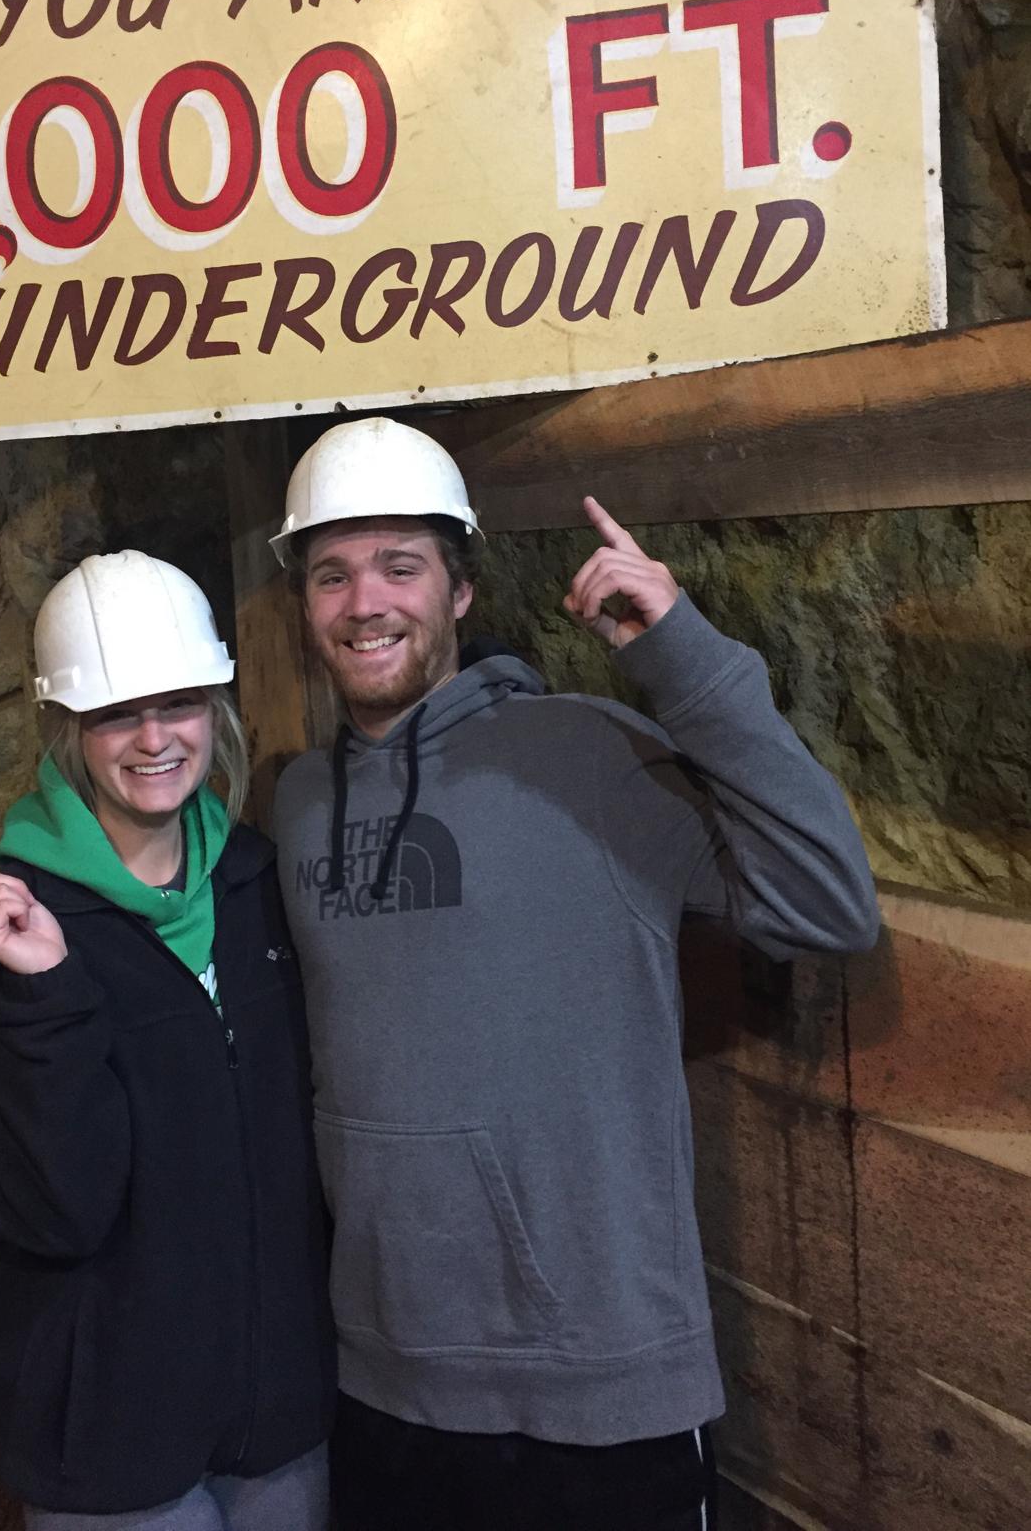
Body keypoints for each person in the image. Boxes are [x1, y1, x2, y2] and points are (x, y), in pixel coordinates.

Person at [269, 417, 880, 1531]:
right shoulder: (302, 801)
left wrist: (682, 656)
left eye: (401, 567)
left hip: (599, 1387)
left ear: (460, 590)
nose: (365, 603)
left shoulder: (588, 754)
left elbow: (827, 903)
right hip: (386, 1381)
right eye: (332, 574)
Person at [0, 551, 335, 1531]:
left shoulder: (257, 882)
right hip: (112, 1426)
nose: (155, 739)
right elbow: (55, 1211)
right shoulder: (17, 923)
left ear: (213, 710)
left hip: (279, 1406)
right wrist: (46, 996)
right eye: (117, 713)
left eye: (178, 704)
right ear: (69, 729)